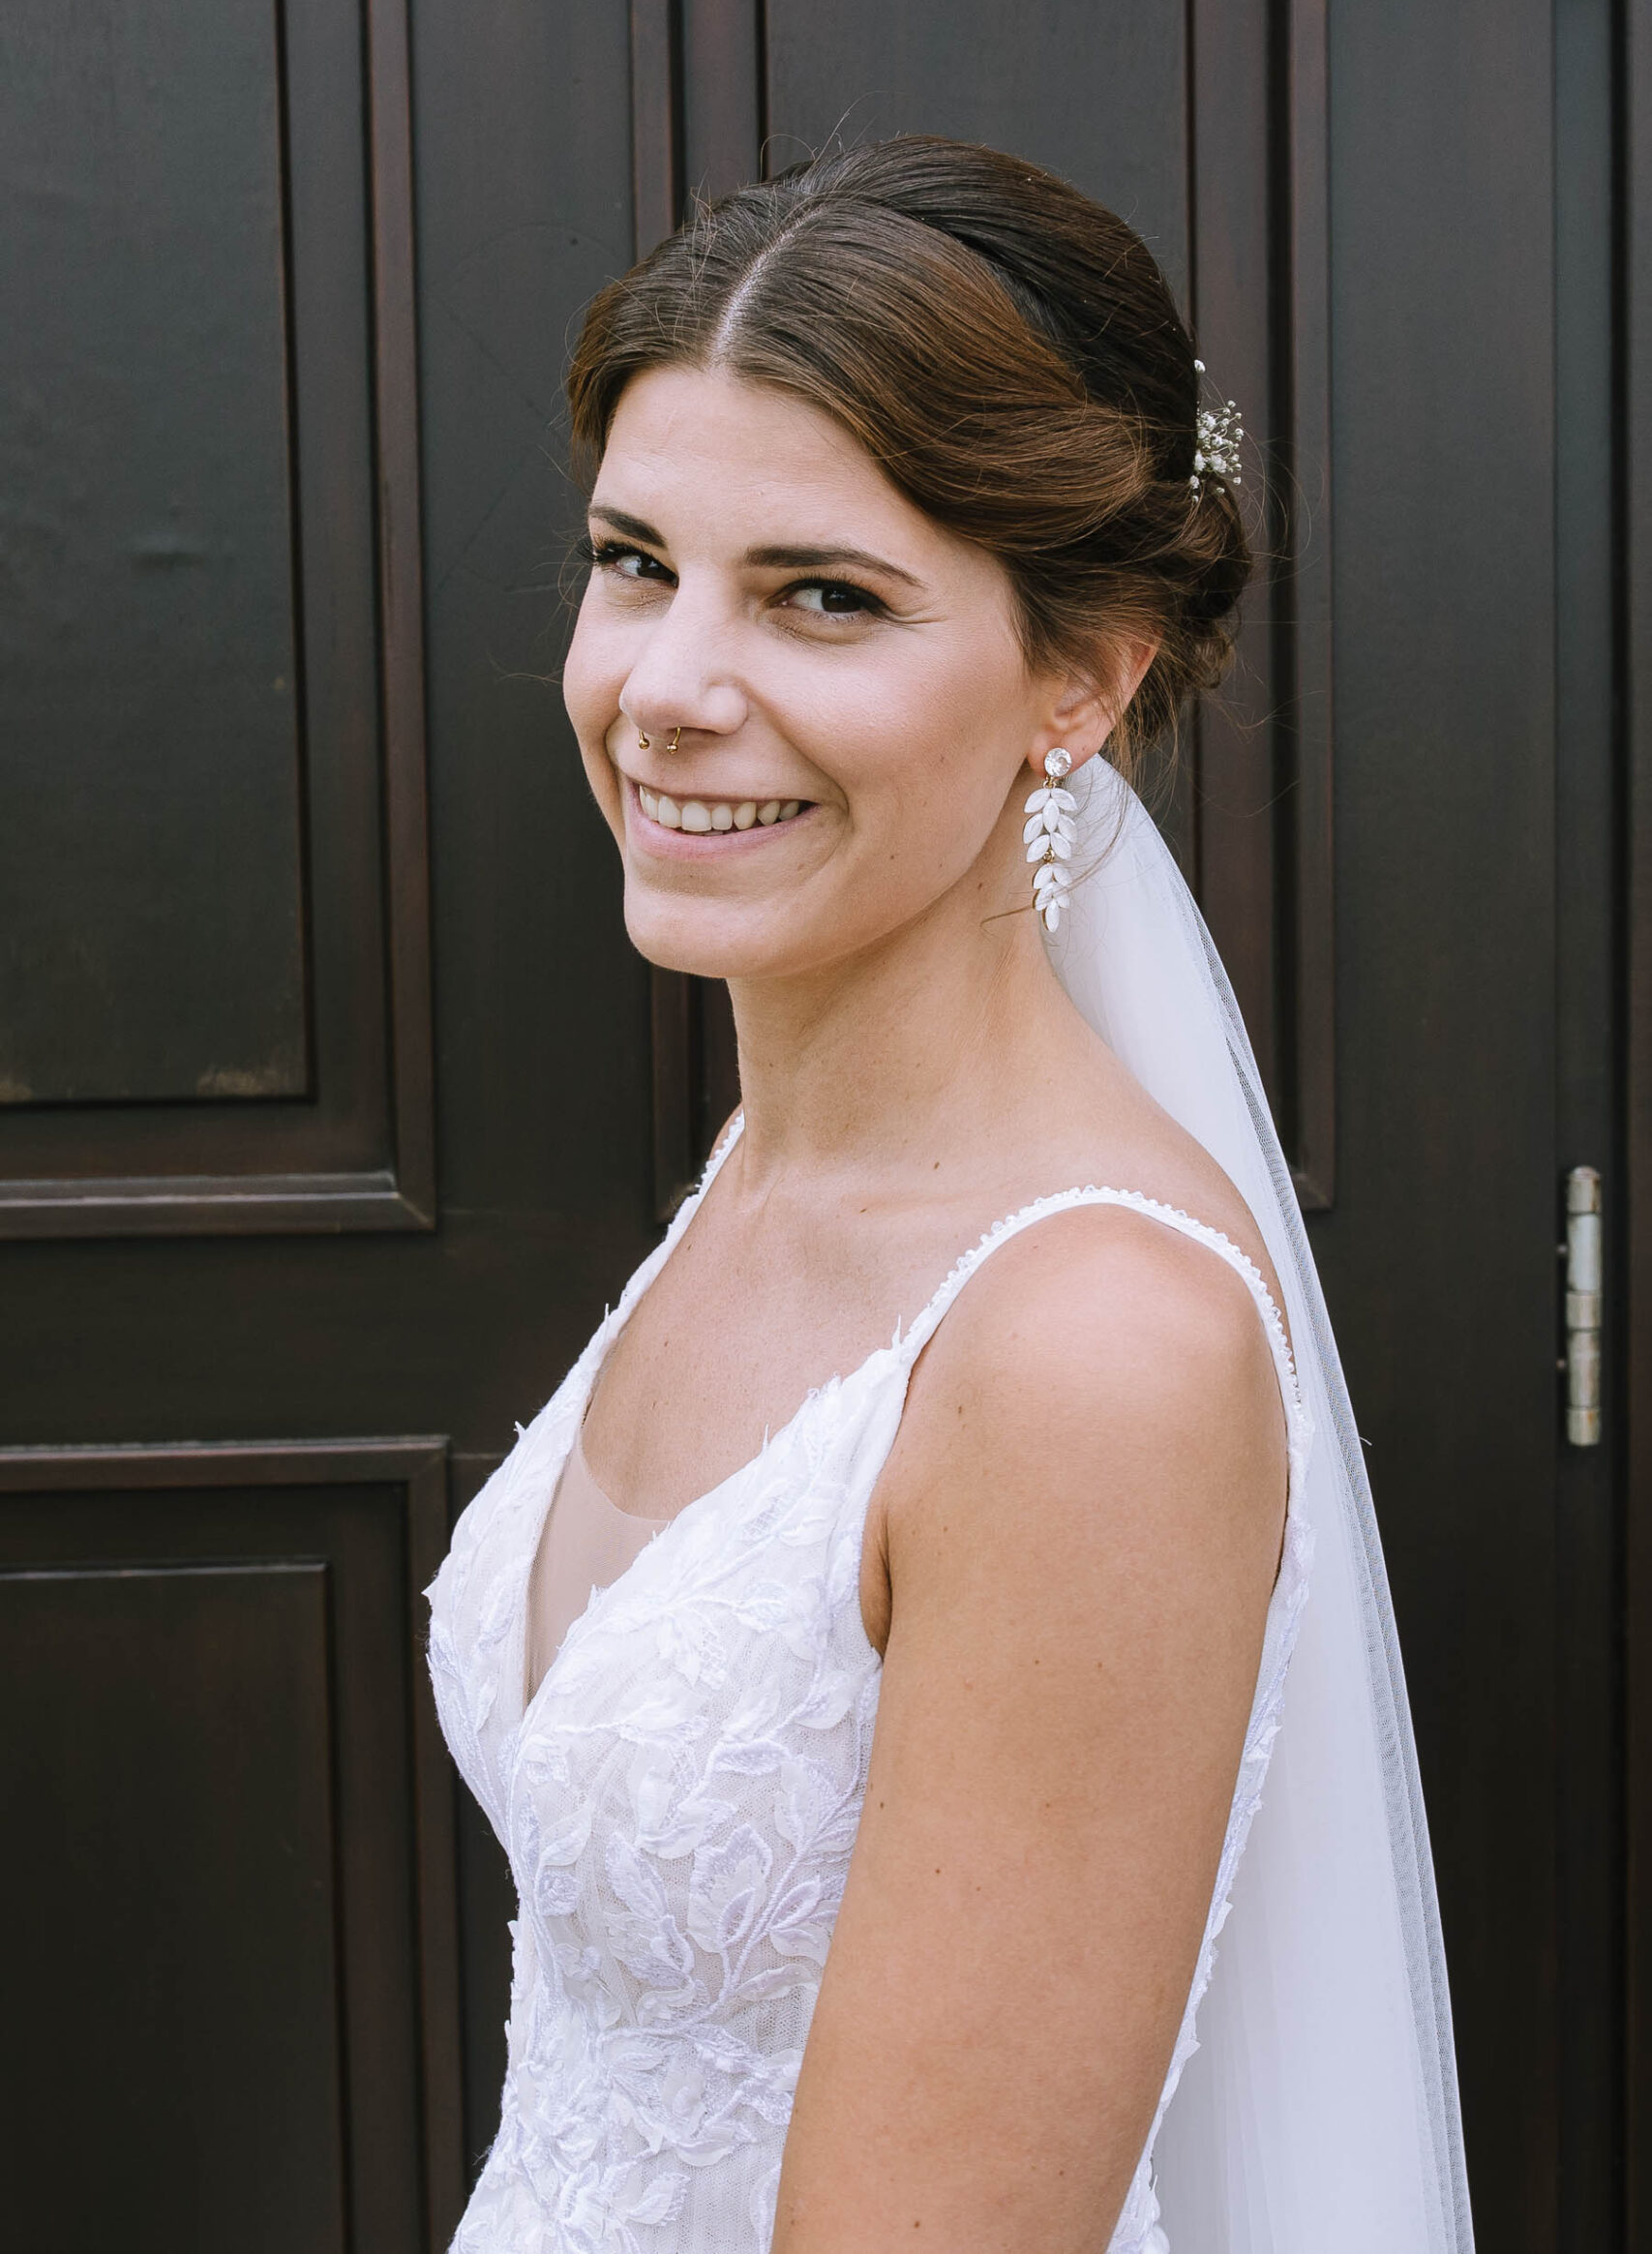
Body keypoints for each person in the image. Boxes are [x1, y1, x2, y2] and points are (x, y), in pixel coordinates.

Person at [426, 137, 1473, 2253]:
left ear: (1079, 680)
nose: (665, 688)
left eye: (821, 594)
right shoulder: (774, 1165)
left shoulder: (1090, 1354)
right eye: (635, 561)